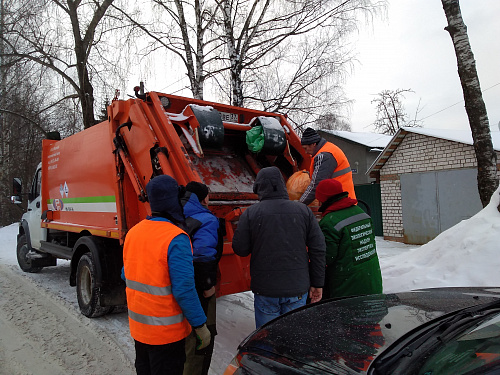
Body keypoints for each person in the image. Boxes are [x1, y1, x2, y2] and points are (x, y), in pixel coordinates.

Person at [123, 175, 211, 375]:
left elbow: (126, 274)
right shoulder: (176, 237)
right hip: (166, 336)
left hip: (139, 331)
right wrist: (199, 325)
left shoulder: (133, 233)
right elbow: (184, 289)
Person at [232, 166, 326, 328]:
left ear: (260, 188)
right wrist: (317, 283)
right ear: (282, 186)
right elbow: (318, 248)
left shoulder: (251, 213)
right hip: (297, 288)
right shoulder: (303, 211)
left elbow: (240, 249)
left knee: (267, 339)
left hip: (266, 289)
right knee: (294, 339)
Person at [315, 178, 382, 299]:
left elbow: (326, 257)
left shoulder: (330, 221)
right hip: (372, 279)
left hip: (349, 287)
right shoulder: (359, 211)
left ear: (323, 198)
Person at [180, 181, 222, 375]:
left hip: (179, 284)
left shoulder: (175, 215)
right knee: (201, 336)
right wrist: (208, 285)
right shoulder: (207, 219)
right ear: (203, 198)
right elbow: (203, 256)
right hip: (198, 287)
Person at [299, 127, 356, 205]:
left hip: (339, 203)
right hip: (344, 201)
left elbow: (316, 185)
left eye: (306, 148)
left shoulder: (324, 156)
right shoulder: (329, 149)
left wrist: (300, 204)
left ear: (313, 144)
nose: (305, 152)